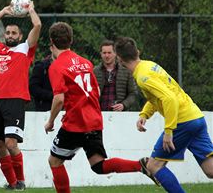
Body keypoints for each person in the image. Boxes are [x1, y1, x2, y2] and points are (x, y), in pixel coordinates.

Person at [44, 22, 157, 193]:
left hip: (75, 123)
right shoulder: (85, 63)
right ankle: (141, 165)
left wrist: (50, 121)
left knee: (54, 161)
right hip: (94, 121)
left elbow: (58, 99)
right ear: (71, 41)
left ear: (51, 42)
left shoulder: (57, 66)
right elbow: (95, 90)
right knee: (98, 165)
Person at [114, 36, 213, 193]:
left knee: (153, 165)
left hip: (183, 122)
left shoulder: (142, 77)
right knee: (210, 170)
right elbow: (160, 96)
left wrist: (169, 131)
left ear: (119, 59)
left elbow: (169, 98)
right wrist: (145, 114)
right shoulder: (149, 65)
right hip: (195, 117)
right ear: (137, 52)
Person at [0, 1, 41, 191]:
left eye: (14, 33)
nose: (10, 35)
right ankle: (12, 183)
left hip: (15, 100)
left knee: (10, 143)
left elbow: (37, 25)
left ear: (20, 36)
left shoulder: (25, 49)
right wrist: (3, 12)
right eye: (7, 33)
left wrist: (30, 10)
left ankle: (21, 181)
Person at [93, 40, 138, 111]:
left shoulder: (126, 71)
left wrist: (124, 105)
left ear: (115, 54)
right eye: (104, 53)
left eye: (109, 53)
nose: (107, 55)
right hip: (99, 113)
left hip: (120, 114)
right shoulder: (94, 71)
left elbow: (133, 93)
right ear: (101, 54)